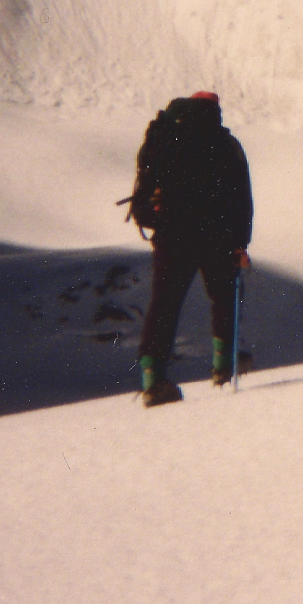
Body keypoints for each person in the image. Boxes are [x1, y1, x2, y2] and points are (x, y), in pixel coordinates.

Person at [128, 91, 254, 407]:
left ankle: (153, 380)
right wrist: (241, 243)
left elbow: (145, 186)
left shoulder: (164, 136)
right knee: (225, 295)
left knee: (165, 304)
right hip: (217, 233)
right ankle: (224, 364)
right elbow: (241, 199)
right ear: (214, 109)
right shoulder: (225, 144)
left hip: (171, 234)